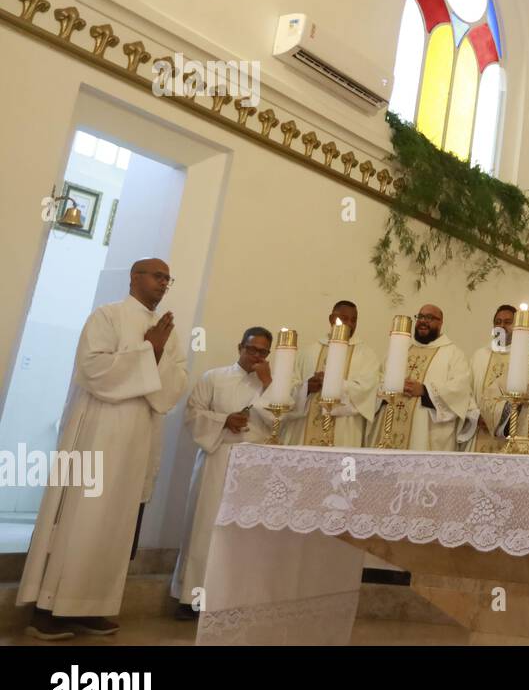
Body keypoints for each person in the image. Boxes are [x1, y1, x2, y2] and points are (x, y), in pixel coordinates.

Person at [20, 258, 188, 640]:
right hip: (98, 429)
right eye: (157, 276)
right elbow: (92, 368)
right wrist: (148, 353)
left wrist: (157, 354)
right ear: (135, 277)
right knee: (81, 516)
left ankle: (90, 606)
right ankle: (47, 608)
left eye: (168, 279)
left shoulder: (170, 331)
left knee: (116, 524)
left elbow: (177, 380)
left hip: (138, 435)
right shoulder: (106, 315)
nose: (164, 284)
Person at [171, 327, 277, 619]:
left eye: (263, 352)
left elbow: (279, 420)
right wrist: (223, 420)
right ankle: (192, 598)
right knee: (204, 526)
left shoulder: (271, 384)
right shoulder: (213, 378)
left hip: (253, 464)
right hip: (217, 456)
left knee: (241, 533)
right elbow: (192, 414)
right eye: (252, 349)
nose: (256, 356)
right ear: (239, 346)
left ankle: (232, 597)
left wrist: (269, 384)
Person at [365, 304, 475, 451]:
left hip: (425, 435)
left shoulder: (453, 354)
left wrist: (424, 390)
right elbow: (378, 380)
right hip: (388, 431)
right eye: (420, 317)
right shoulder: (400, 348)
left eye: (429, 318)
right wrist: (391, 386)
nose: (423, 321)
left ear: (441, 322)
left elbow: (460, 391)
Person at [282, 300, 379, 448]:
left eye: (354, 320)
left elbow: (367, 391)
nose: (350, 324)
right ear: (331, 319)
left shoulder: (366, 355)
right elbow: (287, 388)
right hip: (304, 429)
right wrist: (307, 388)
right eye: (344, 319)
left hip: (344, 431)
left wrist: (334, 384)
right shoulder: (308, 352)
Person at [469, 304, 516, 453]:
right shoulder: (480, 355)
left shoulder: (526, 357)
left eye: (508, 322)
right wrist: (474, 416)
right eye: (498, 322)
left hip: (510, 435)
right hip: (478, 430)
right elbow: (465, 391)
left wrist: (497, 420)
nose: (502, 326)